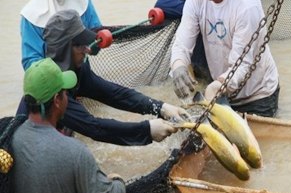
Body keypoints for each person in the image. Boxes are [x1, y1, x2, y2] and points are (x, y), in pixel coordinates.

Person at [10, 58, 126, 193]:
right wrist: (117, 182)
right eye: (65, 93)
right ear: (57, 100)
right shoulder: (75, 152)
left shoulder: (9, 142)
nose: (68, 98)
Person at [41, 9, 187, 145]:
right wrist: (147, 130)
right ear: (64, 51)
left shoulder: (79, 69)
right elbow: (94, 127)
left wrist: (160, 107)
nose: (87, 49)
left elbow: (114, 94)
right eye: (80, 45)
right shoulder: (54, 90)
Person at [170, 0, 280, 117]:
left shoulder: (245, 5)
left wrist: (215, 86)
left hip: (257, 95)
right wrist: (178, 66)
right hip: (223, 92)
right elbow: (182, 45)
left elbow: (242, 65)